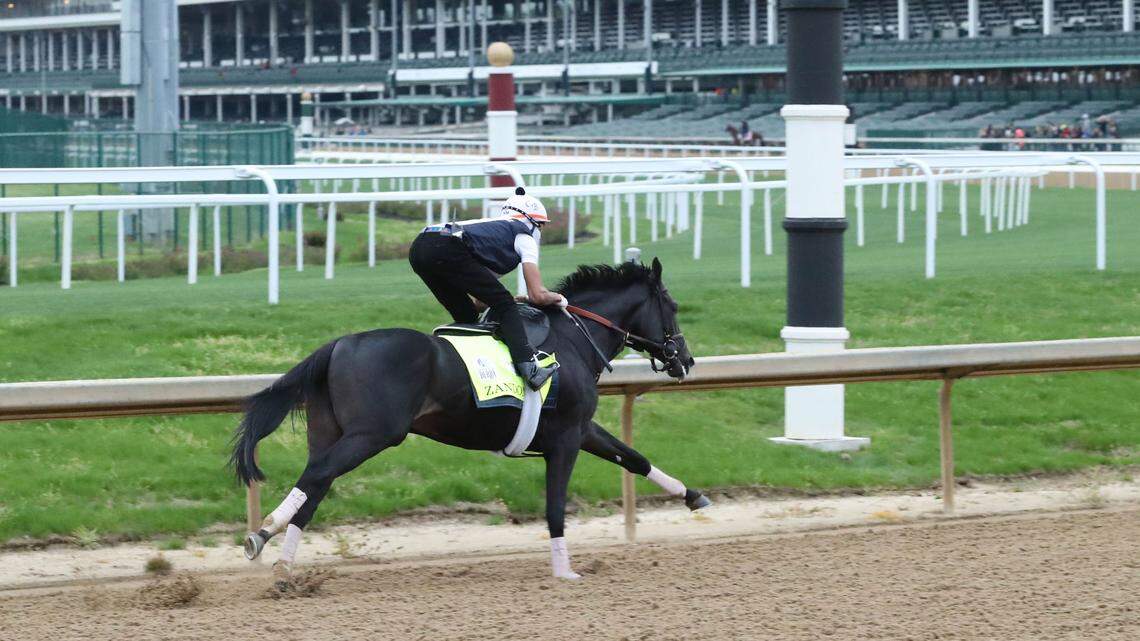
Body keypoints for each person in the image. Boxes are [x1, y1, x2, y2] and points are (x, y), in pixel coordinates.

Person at [408, 187, 565, 390]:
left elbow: (482, 301)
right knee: (505, 304)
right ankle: (530, 369)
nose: (540, 232)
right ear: (531, 221)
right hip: (446, 247)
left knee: (467, 314)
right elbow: (538, 295)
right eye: (541, 226)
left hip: (420, 247)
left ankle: (458, 364)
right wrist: (560, 298)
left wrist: (514, 299)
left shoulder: (492, 234)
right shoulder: (524, 236)